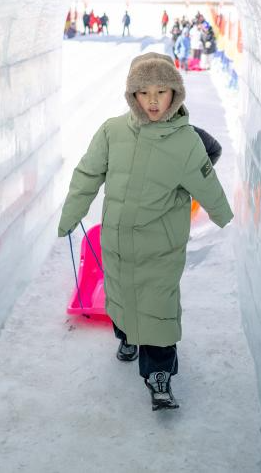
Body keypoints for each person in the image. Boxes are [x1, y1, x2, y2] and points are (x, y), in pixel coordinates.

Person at [58, 53, 234, 411]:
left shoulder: (187, 142)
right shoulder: (112, 132)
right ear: (132, 95)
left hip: (160, 248)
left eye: (161, 91)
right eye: (144, 92)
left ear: (175, 94)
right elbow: (88, 173)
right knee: (121, 297)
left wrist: (225, 217)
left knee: (158, 308)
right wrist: (71, 213)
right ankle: (126, 336)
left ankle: (160, 374)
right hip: (118, 242)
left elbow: (208, 184)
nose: (153, 101)